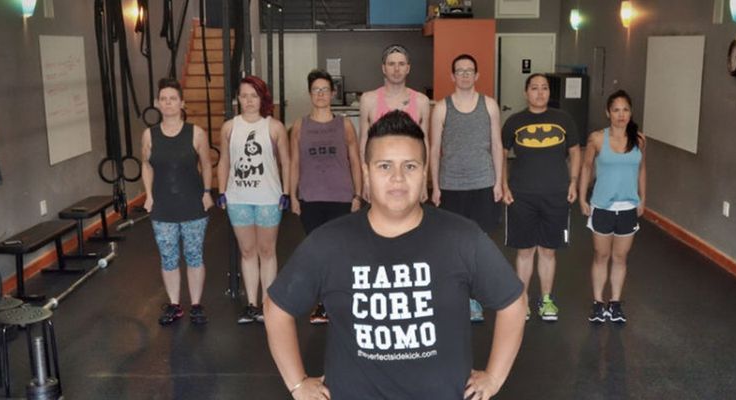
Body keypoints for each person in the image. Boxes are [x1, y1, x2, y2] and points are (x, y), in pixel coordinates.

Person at [264, 110, 526, 400]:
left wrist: (494, 378)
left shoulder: (462, 237)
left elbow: (512, 302)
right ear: (366, 172)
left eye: (410, 166)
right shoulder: (329, 242)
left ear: (425, 172)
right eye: (385, 166)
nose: (398, 178)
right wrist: (298, 384)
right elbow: (277, 309)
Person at [429, 54, 504, 322]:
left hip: (483, 183)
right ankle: (455, 295)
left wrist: (499, 182)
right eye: (459, 71)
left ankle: (474, 299)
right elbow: (434, 149)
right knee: (452, 243)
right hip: (451, 185)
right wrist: (435, 186)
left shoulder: (490, 106)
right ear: (452, 76)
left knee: (479, 243)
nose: (464, 75)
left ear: (477, 75)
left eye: (469, 71)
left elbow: (497, 146)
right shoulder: (441, 108)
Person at [500, 73, 581, 322]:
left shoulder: (563, 119)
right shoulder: (514, 122)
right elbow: (501, 156)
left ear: (549, 92)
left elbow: (576, 153)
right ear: (526, 93)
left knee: (547, 251)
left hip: (555, 194)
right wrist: (504, 185)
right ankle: (522, 299)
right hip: (521, 195)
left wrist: (574, 182)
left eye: (544, 88)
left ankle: (546, 299)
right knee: (525, 251)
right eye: (534, 88)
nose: (539, 92)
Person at [289, 69, 363, 324]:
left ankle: (341, 301)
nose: (320, 94)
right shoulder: (300, 125)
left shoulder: (344, 125)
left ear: (332, 93)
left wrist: (357, 194)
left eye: (324, 90)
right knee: (318, 253)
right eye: (315, 90)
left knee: (341, 252)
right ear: (310, 94)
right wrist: (293, 196)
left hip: (340, 197)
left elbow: (355, 160)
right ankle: (323, 304)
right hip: (311, 197)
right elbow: (294, 163)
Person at [141, 78, 216, 325]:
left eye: (173, 99)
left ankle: (196, 305)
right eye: (163, 99)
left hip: (192, 203)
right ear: (157, 103)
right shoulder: (149, 135)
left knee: (194, 255)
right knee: (169, 258)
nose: (168, 103)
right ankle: (175, 305)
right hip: (163, 205)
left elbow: (206, 164)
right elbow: (146, 165)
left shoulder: (196, 133)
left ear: (182, 103)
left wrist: (206, 192)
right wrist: (149, 196)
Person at [217, 75, 292, 324]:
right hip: (238, 197)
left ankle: (267, 304)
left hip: (268, 198)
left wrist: (287, 192)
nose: (249, 100)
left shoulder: (274, 127)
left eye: (254, 95)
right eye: (244, 95)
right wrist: (221, 191)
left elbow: (286, 162)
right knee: (247, 251)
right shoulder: (229, 127)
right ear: (238, 98)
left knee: (267, 251)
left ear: (262, 98)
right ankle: (251, 304)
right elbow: (224, 161)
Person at [578, 90, 647, 324]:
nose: (621, 114)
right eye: (616, 110)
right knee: (601, 255)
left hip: (628, 206)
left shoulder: (638, 139)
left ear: (631, 112)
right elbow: (586, 168)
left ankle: (615, 303)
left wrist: (642, 199)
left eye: (625, 109)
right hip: (603, 206)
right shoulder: (597, 138)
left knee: (620, 257)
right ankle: (598, 303)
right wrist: (582, 198)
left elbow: (642, 170)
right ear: (608, 112)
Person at [358, 44, 432, 202]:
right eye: (391, 64)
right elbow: (364, 142)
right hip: (381, 174)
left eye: (401, 64)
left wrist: (424, 181)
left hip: (410, 174)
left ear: (408, 68)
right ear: (383, 68)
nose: (396, 69)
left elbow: (425, 143)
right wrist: (366, 180)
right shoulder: (368, 100)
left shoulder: (421, 101)